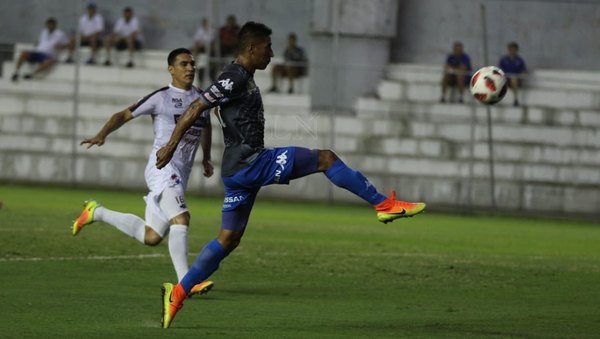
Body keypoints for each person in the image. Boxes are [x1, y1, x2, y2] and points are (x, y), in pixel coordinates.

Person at [156, 22, 426, 329]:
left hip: (238, 171)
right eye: (268, 48)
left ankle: (177, 292)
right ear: (252, 49)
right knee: (325, 158)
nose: (272, 54)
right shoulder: (233, 77)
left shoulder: (242, 76)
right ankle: (383, 205)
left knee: (229, 239)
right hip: (251, 163)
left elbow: (214, 107)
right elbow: (196, 107)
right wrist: (170, 146)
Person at [72, 48, 215, 296]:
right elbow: (124, 114)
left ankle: (96, 212)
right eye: (184, 64)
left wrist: (207, 157)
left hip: (181, 173)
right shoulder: (161, 97)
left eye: (192, 64)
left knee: (151, 236)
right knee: (181, 219)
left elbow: (207, 125)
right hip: (163, 168)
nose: (190, 68)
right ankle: (186, 284)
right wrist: (102, 134)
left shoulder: (202, 97)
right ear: (171, 69)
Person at [11, 17, 67, 82]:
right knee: (24, 53)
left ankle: (32, 74)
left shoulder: (60, 34)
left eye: (52, 24)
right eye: (49, 24)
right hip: (38, 52)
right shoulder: (44, 32)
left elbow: (66, 45)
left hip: (49, 55)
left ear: (55, 25)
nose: (50, 26)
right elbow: (41, 42)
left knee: (49, 62)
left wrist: (60, 46)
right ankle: (16, 72)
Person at [499, 42, 527, 106]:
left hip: (516, 80)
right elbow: (499, 69)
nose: (512, 51)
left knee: (513, 79)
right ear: (508, 50)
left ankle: (515, 99)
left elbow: (524, 70)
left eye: (514, 50)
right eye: (511, 49)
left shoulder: (520, 60)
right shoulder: (503, 60)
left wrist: (523, 73)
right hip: (506, 78)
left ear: (517, 50)